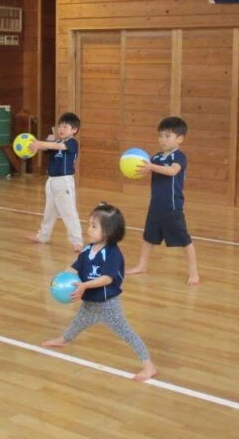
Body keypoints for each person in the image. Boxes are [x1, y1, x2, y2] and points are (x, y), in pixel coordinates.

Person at [42, 202, 157, 382]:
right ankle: (64, 340)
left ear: (109, 231)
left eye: (94, 226)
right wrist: (59, 278)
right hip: (90, 302)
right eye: (89, 225)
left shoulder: (113, 254)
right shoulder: (87, 250)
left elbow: (107, 279)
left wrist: (84, 286)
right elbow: (75, 268)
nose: (88, 229)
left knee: (126, 332)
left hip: (108, 305)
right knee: (78, 323)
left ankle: (149, 366)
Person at [126, 116, 200, 285]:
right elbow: (147, 169)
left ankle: (194, 272)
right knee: (148, 237)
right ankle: (142, 265)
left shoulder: (179, 157)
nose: (163, 139)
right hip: (155, 205)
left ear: (180, 139)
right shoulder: (157, 157)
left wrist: (151, 167)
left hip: (172, 207)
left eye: (168, 136)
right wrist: (137, 169)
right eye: (160, 136)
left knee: (184, 240)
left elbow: (172, 171)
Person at [26, 112, 83, 251]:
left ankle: (77, 241)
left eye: (65, 126)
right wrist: (39, 145)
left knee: (68, 212)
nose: (61, 129)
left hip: (64, 182)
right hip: (51, 182)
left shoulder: (72, 143)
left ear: (74, 130)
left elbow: (58, 147)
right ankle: (43, 236)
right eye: (59, 126)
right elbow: (49, 147)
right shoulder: (55, 142)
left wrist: (42, 143)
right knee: (49, 211)